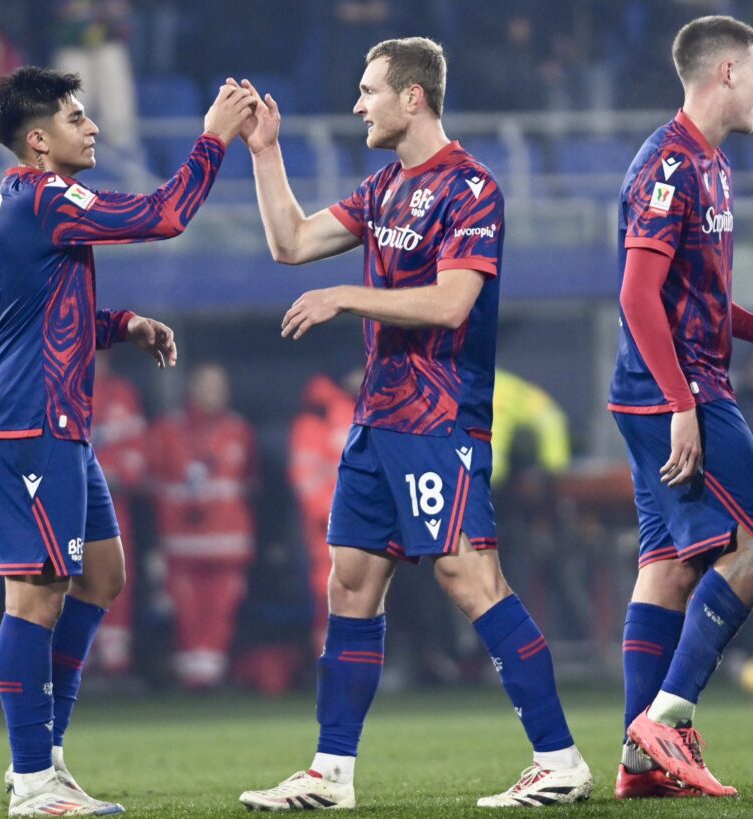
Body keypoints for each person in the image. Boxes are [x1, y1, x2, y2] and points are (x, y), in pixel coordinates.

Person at [233, 37, 592, 811]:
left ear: (414, 97)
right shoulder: (383, 187)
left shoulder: (472, 189)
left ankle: (559, 758)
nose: (358, 104)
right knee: (352, 584)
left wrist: (346, 296)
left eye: (369, 90)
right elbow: (289, 242)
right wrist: (264, 151)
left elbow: (451, 302)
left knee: (470, 576)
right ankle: (331, 773)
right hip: (378, 419)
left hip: (440, 418)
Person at [0, 66, 254, 816]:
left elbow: (36, 318)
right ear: (38, 141)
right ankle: (31, 781)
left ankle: (46, 755)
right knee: (35, 594)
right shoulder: (48, 194)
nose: (92, 128)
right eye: (75, 118)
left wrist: (120, 325)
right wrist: (213, 139)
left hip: (55, 420)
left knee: (101, 575)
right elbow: (163, 215)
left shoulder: (19, 199)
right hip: (28, 422)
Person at [608, 14, 753, 800]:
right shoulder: (668, 162)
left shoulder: (716, 165)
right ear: (727, 71)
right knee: (752, 539)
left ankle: (640, 768)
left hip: (667, 388)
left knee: (668, 566)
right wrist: (681, 402)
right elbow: (636, 292)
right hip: (679, 391)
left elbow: (697, 296)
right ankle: (668, 714)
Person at [147, 363, 257, 689]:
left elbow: (250, 481)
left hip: (228, 542)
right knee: (188, 613)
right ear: (192, 389)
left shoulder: (239, 430)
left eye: (220, 386)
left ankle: (210, 675)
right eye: (208, 385)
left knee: (221, 610)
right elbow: (152, 481)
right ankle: (193, 677)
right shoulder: (170, 431)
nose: (216, 393)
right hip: (183, 542)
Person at [288, 371, 358, 651]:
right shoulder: (316, 418)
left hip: (369, 523)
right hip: (331, 525)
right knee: (332, 592)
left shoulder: (372, 408)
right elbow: (307, 477)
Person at [90, 353, 148, 677]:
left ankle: (115, 661)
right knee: (68, 577)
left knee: (115, 575)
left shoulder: (122, 394)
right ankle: (76, 660)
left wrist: (121, 475)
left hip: (113, 501)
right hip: (68, 504)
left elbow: (138, 448)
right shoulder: (54, 389)